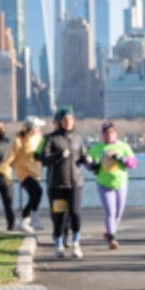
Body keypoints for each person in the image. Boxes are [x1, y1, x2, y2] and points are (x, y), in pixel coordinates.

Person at [38, 107, 91, 258]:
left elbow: (82, 156)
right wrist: (58, 155)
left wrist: (87, 160)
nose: (68, 122)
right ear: (59, 122)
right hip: (57, 184)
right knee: (59, 215)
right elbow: (41, 159)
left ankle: (76, 243)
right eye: (65, 120)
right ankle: (59, 244)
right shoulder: (49, 139)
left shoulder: (78, 138)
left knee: (75, 212)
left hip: (75, 182)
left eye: (71, 119)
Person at [88, 120, 137, 250]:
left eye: (111, 132)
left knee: (119, 212)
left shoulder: (123, 146)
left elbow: (133, 164)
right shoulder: (96, 148)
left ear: (115, 133)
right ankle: (111, 238)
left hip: (120, 183)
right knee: (110, 211)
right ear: (102, 135)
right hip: (104, 184)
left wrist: (121, 158)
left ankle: (110, 232)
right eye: (106, 133)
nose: (109, 135)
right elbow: (89, 164)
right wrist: (94, 165)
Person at [12, 117, 46, 233]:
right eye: (38, 127)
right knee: (37, 192)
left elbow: (40, 152)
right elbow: (13, 153)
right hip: (23, 172)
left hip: (35, 171)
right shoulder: (21, 138)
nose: (40, 129)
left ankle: (32, 218)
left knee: (36, 195)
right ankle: (24, 220)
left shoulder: (38, 138)